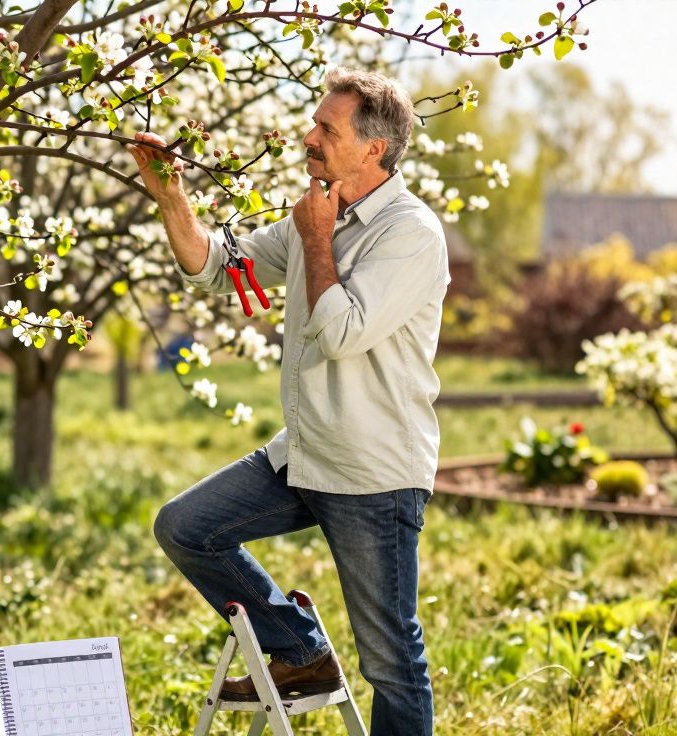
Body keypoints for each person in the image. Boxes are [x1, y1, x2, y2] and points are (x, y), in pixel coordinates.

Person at [126, 66, 447, 736]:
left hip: (372, 476)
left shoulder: (409, 233)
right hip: (304, 456)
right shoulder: (317, 213)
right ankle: (300, 650)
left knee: (391, 662)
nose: (309, 136)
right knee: (185, 527)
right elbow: (217, 265)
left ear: (373, 149)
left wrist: (315, 239)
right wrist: (169, 197)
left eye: (325, 128)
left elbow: (341, 332)